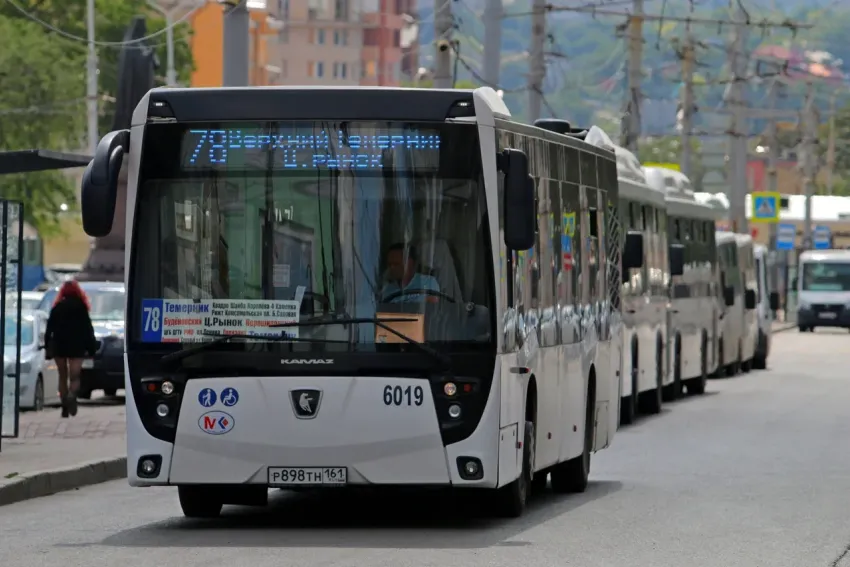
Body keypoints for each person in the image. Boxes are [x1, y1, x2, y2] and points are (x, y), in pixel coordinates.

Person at [45, 280, 98, 418]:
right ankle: (72, 396)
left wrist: (47, 347)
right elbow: (88, 329)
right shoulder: (81, 308)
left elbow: (49, 329)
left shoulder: (58, 307)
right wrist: (91, 348)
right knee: (74, 377)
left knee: (62, 376)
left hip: (59, 345)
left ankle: (64, 404)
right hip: (77, 346)